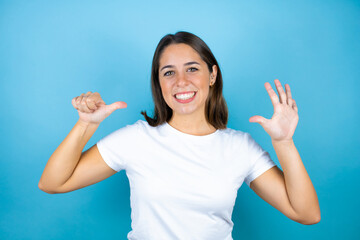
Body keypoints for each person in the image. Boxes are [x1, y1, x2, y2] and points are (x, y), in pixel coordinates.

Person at [38, 31, 321, 239]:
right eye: (169, 72)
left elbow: (307, 214)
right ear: (159, 83)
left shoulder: (240, 147)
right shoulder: (136, 140)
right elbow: (53, 182)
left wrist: (284, 143)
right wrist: (85, 125)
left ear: (212, 75)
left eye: (192, 69)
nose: (181, 82)